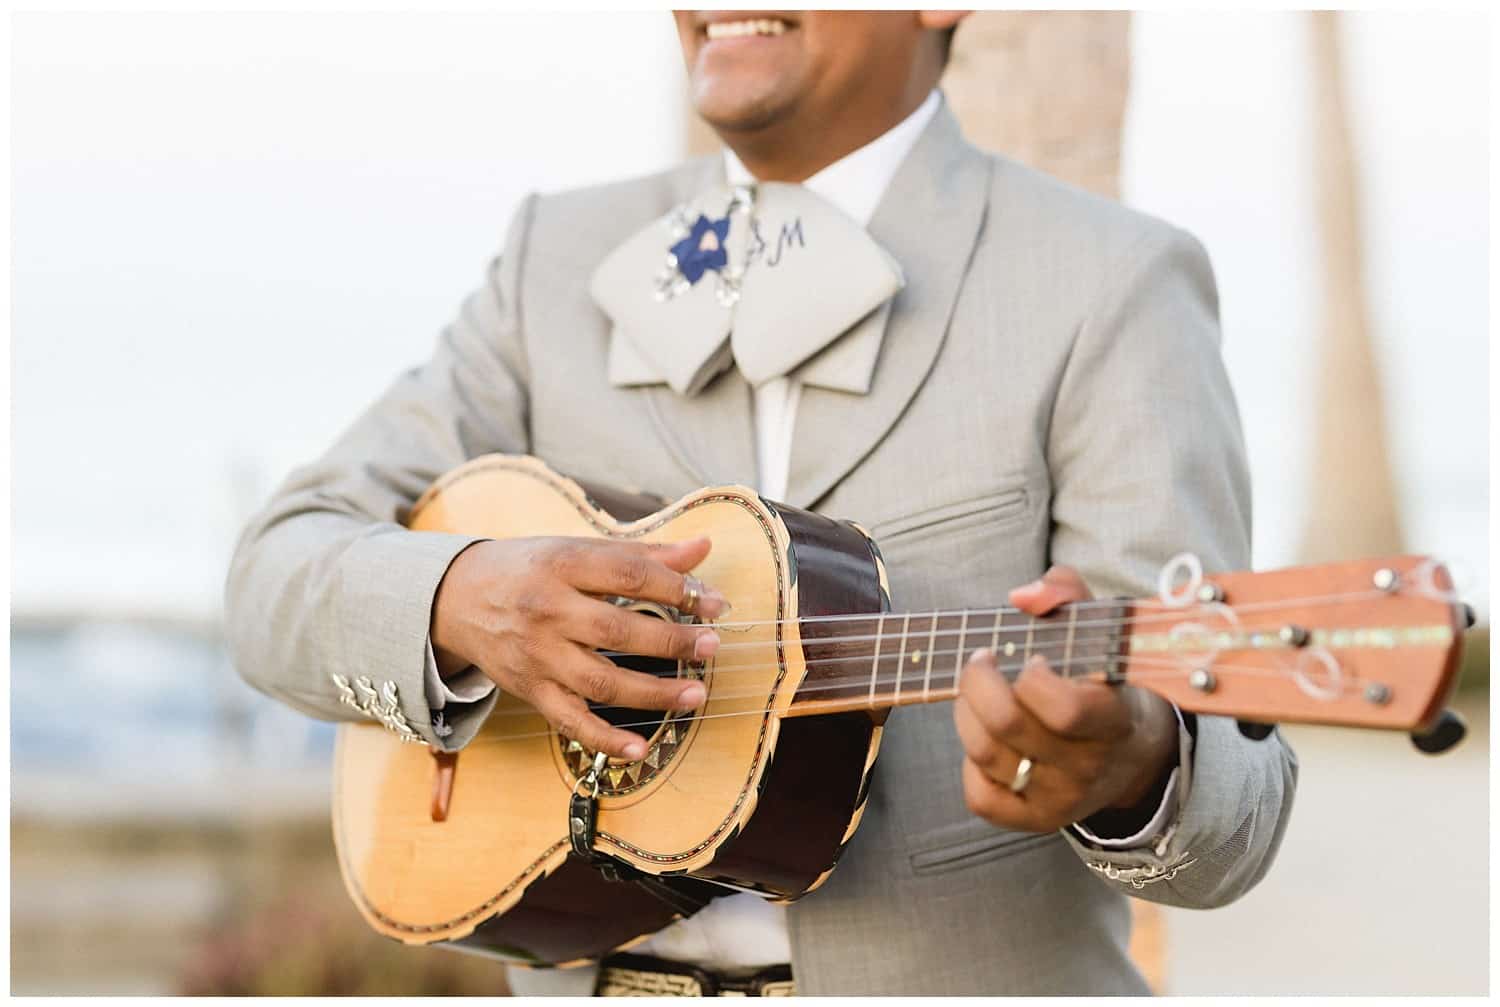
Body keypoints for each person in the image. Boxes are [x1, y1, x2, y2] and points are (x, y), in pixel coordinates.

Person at [226, 10, 1297, 996]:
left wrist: (1141, 764)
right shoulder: (554, 263)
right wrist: (466, 600)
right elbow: (275, 574)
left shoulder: (1109, 280)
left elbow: (1239, 795)